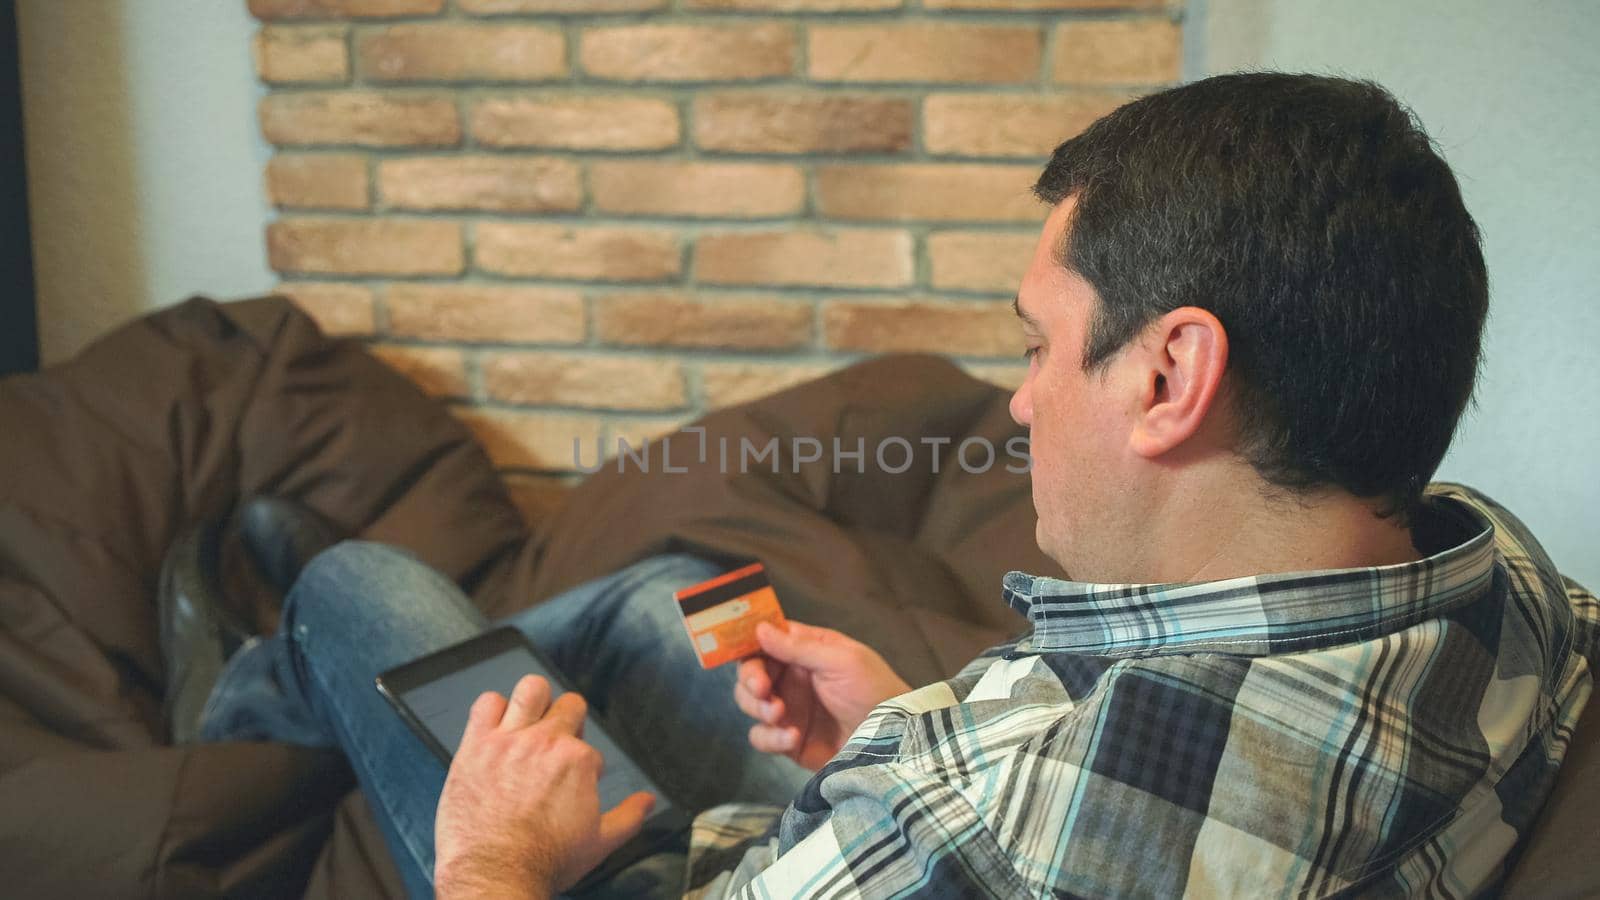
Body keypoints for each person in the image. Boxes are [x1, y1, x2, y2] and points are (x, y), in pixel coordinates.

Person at [174, 72, 1597, 898]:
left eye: (1038, 344)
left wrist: (491, 860)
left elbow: (1025, 830)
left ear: (1171, 376)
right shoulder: (1520, 591)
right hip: (855, 812)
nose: (1023, 396)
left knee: (360, 588)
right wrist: (915, 721)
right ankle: (324, 681)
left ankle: (242, 697)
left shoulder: (1009, 832)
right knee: (663, 600)